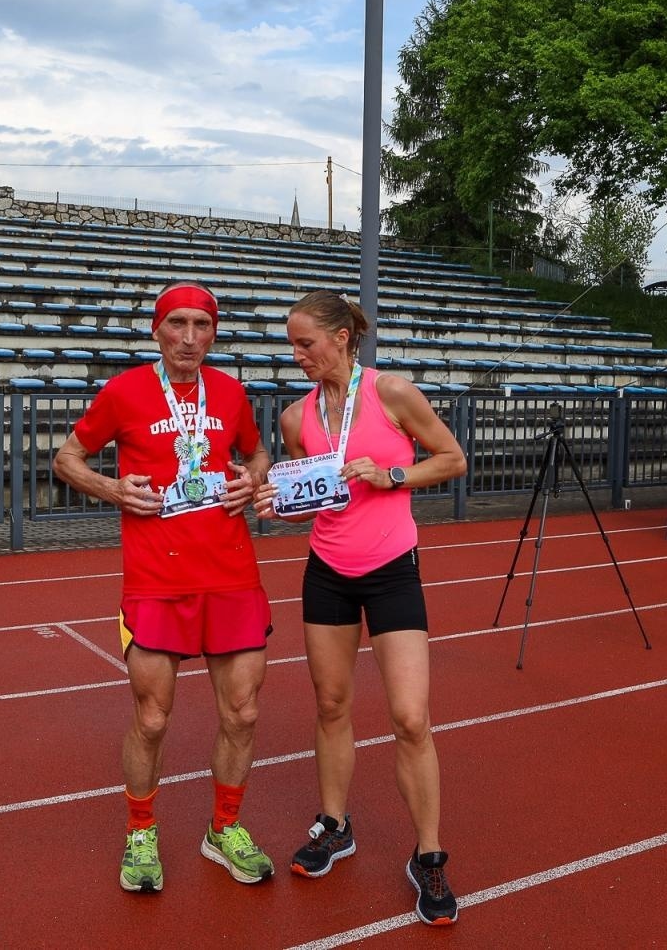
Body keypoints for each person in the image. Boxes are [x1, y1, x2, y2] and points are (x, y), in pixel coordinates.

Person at [52, 282, 274, 894]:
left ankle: (223, 828)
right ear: (157, 330)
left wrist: (251, 481)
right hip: (155, 580)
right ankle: (141, 831)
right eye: (177, 324)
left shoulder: (230, 392)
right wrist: (113, 489)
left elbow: (255, 457)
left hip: (231, 575)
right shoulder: (124, 391)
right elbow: (67, 458)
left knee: (244, 711)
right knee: (152, 719)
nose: (189, 337)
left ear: (214, 334)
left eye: (202, 326)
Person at [256, 290, 467, 926]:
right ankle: (334, 825)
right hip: (327, 573)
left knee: (410, 717)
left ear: (343, 336)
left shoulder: (392, 392)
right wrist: (280, 501)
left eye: (305, 344)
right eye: (291, 345)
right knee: (330, 705)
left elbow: (452, 459)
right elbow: (314, 490)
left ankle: (428, 856)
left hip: (391, 572)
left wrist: (393, 476)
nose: (297, 357)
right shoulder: (297, 418)